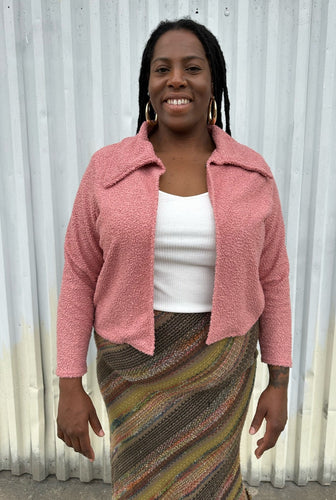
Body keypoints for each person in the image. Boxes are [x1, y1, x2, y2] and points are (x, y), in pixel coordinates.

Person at [56, 18, 292, 500]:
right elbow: (80, 274)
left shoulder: (251, 172)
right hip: (132, 371)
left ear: (214, 83)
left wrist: (279, 380)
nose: (177, 79)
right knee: (142, 488)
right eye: (162, 68)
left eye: (193, 68)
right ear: (148, 84)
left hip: (221, 371)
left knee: (214, 486)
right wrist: (68, 383)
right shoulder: (108, 169)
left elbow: (275, 278)